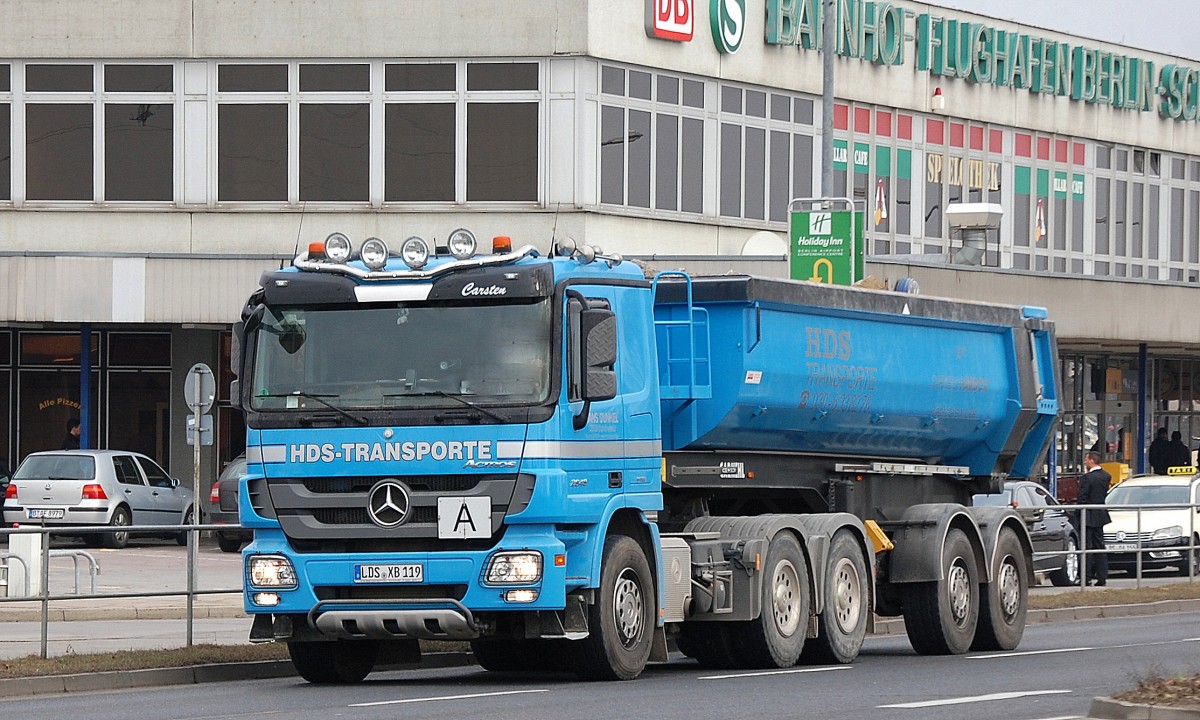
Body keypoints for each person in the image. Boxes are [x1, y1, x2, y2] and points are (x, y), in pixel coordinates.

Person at [1077, 450, 1112, 586]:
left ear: (1092, 461)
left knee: (1087, 547)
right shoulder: (1106, 476)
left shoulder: (1087, 478)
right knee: (1100, 546)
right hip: (1100, 514)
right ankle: (1102, 577)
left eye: (1086, 460)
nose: (1085, 462)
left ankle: (1086, 577)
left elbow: (1082, 497)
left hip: (1088, 514)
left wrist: (1078, 512)